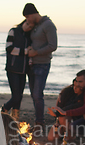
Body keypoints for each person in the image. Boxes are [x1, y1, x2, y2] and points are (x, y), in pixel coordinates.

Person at [23, 3, 57, 132]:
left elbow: (53, 45)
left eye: (27, 17)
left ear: (33, 14)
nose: (27, 20)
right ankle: (38, 120)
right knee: (34, 94)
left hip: (42, 63)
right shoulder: (36, 26)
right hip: (32, 64)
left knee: (38, 94)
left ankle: (40, 122)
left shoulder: (48, 25)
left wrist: (36, 52)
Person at [0, 20, 34, 121]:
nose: (28, 27)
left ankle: (15, 119)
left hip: (23, 70)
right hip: (12, 68)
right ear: (24, 22)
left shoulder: (29, 36)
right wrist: (25, 52)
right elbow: (9, 48)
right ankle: (3, 109)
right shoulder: (13, 31)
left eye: (31, 27)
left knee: (19, 96)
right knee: (16, 96)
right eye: (27, 24)